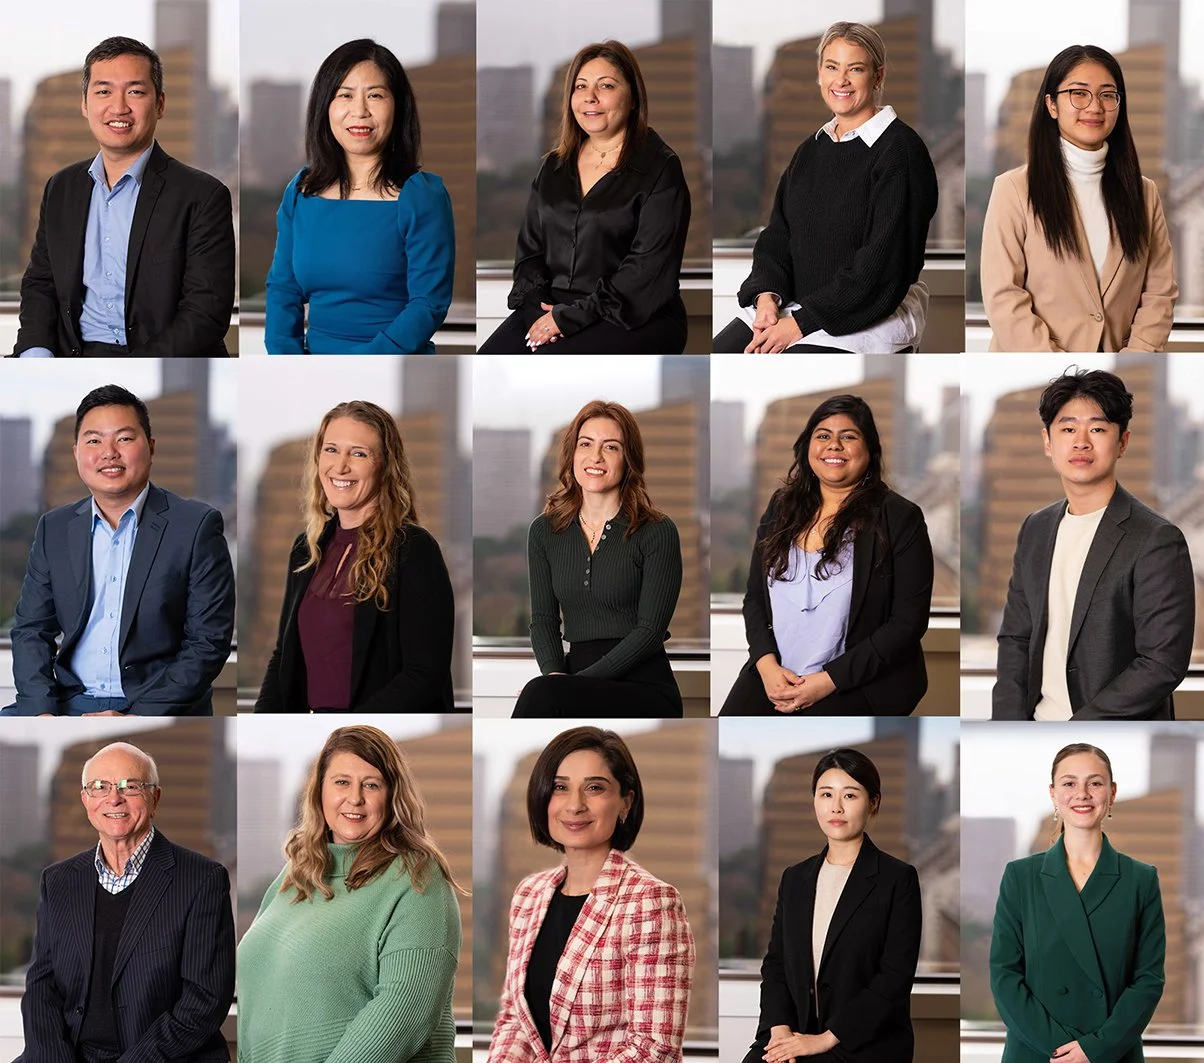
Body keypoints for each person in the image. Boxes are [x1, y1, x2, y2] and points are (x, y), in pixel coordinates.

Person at [3, 385, 235, 716]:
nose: (109, 452)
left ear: (151, 447)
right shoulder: (53, 528)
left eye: (124, 439)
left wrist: (135, 716)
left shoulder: (196, 526)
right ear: (76, 453)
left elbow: (208, 642)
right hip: (70, 701)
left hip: (158, 703)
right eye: (94, 440)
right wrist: (43, 710)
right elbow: (30, 630)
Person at [238, 725, 463, 1062]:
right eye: (342, 782)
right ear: (320, 791)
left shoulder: (417, 880)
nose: (355, 798)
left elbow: (400, 1015)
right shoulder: (298, 871)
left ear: (392, 797)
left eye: (371, 785)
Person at [713, 22, 937, 354]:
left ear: (877, 77)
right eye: (832, 67)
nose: (841, 80)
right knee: (721, 356)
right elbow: (777, 237)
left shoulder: (900, 152)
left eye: (855, 69)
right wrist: (766, 297)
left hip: (863, 315)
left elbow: (881, 267)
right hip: (794, 305)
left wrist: (800, 324)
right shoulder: (810, 149)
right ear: (819, 73)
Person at [13, 37, 234, 358]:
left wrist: (134, 368)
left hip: (160, 357)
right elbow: (41, 283)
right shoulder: (61, 187)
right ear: (85, 105)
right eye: (104, 91)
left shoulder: (202, 195)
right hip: (72, 355)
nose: (119, 108)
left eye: (135, 91)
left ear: (160, 104)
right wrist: (36, 351)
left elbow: (205, 314)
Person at [993, 369, 1194, 720]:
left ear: (1123, 442)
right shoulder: (1036, 528)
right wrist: (1007, 724)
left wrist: (1077, 727)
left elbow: (1161, 662)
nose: (1081, 441)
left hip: (1108, 728)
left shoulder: (1156, 539)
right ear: (1047, 441)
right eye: (1068, 429)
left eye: (1097, 429)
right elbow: (1016, 639)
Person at [18, 741, 235, 1062]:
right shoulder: (59, 880)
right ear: (85, 800)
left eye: (129, 786)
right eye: (99, 787)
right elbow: (40, 987)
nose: (114, 798)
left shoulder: (202, 880)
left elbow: (204, 1000)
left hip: (161, 1057)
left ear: (154, 797)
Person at [488, 726, 694, 1062]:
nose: (575, 805)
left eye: (594, 788)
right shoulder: (530, 894)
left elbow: (654, 1049)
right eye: (560, 788)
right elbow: (515, 1021)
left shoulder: (651, 902)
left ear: (625, 802)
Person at [720, 395, 933, 716]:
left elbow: (907, 623)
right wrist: (766, 666)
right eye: (822, 436)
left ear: (870, 450)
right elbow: (754, 599)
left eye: (848, 436)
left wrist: (828, 681)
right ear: (807, 448)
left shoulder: (900, 517)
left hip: (853, 680)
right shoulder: (782, 506)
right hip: (776, 673)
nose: (833, 445)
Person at [478, 40, 691, 355]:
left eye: (605, 86)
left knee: (548, 360)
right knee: (489, 358)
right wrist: (536, 310)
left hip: (633, 313)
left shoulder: (661, 168)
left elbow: (645, 272)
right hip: (552, 306)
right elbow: (530, 253)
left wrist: (567, 319)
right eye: (581, 86)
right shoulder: (553, 167)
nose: (590, 97)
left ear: (633, 97)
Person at [256, 400, 455, 712]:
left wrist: (350, 724)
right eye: (331, 449)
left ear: (385, 465)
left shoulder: (414, 549)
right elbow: (284, 656)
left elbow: (424, 673)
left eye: (359, 453)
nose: (340, 466)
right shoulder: (305, 550)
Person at [981, 45, 1177, 353]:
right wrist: (1053, 362)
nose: (1094, 107)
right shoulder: (1013, 189)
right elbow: (1003, 295)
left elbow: (1160, 292)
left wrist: (1131, 357)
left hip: (1117, 364)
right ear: (1052, 105)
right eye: (1079, 93)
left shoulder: (1144, 193)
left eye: (1107, 95)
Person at [265, 39, 454, 354]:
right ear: (325, 105)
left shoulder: (423, 196)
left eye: (376, 95)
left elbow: (428, 304)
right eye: (345, 95)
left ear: (398, 106)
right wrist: (288, 358)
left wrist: (362, 363)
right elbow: (283, 289)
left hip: (394, 356)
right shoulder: (301, 190)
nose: (360, 111)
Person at [740, 749, 920, 1063]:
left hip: (862, 1042)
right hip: (795, 1032)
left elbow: (895, 977)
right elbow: (777, 964)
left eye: (850, 795)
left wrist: (825, 1039)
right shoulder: (795, 878)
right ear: (814, 801)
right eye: (826, 794)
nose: (835, 807)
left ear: (873, 802)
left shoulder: (897, 879)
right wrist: (778, 1027)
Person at [991, 743, 1165, 1063]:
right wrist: (1061, 1049)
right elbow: (1004, 975)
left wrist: (1095, 1049)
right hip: (1036, 1051)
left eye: (1095, 783)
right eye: (1069, 783)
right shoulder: (1020, 876)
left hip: (1112, 1053)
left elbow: (1148, 980)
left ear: (1111, 793)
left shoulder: (1141, 879)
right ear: (1053, 793)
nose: (1082, 793)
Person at [512, 400, 683, 718]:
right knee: (543, 693)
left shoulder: (657, 531)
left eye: (612, 447)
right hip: (573, 677)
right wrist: (554, 678)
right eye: (586, 444)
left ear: (628, 459)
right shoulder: (544, 531)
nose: (596, 458)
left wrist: (568, 685)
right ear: (572, 453)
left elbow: (649, 631)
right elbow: (544, 621)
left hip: (644, 685)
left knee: (543, 695)